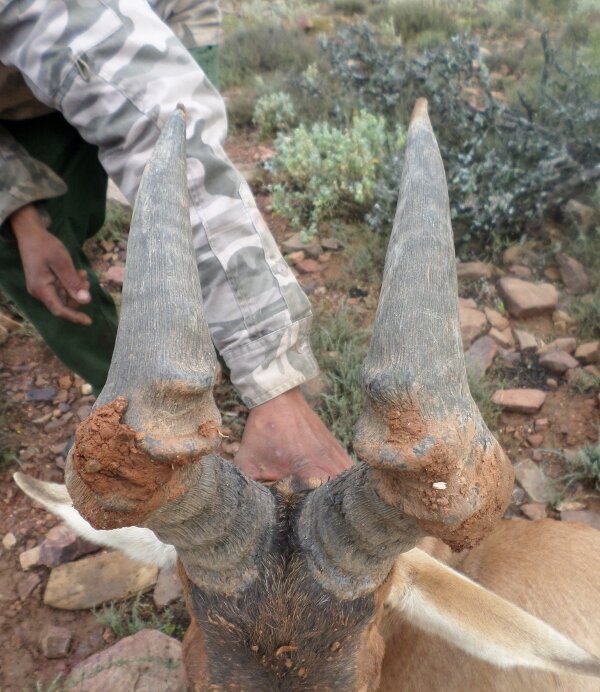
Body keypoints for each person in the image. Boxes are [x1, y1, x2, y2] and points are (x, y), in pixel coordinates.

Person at [0, 0, 352, 482]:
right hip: (14, 97)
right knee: (27, 257)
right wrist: (22, 217)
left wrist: (276, 387)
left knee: (190, 187)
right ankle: (134, 413)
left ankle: (242, 379)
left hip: (157, 21)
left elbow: (167, 132)